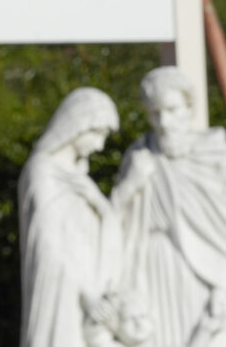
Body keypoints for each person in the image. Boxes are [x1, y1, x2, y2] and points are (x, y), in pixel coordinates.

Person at [112, 66, 226, 347]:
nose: (164, 122)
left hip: (205, 273)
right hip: (151, 269)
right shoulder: (138, 158)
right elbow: (113, 225)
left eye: (172, 110)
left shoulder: (218, 158)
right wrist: (131, 184)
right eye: (155, 113)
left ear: (189, 108)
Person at [19, 88, 147, 347]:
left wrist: (117, 193)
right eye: (97, 133)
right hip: (60, 294)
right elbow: (48, 244)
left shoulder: (79, 178)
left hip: (92, 297)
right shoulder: (42, 171)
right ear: (78, 124)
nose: (100, 145)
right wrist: (86, 292)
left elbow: (102, 230)